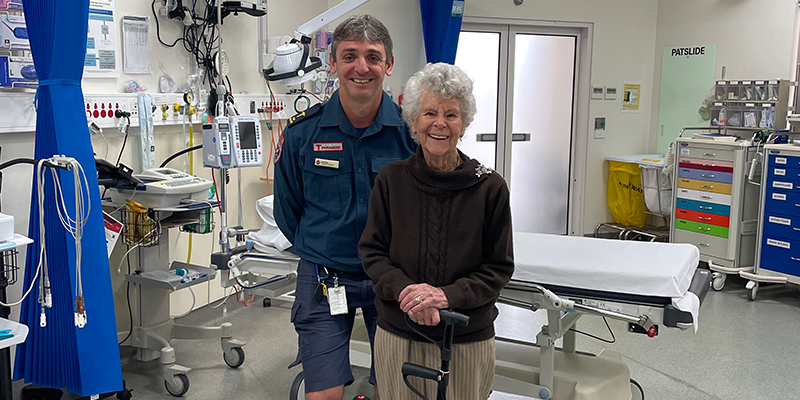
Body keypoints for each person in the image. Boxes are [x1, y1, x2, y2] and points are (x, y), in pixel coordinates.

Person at [273, 14, 415, 400]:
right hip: (325, 279)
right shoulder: (303, 133)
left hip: (394, 282)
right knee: (323, 395)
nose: (361, 67)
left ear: (388, 65)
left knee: (394, 390)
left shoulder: (410, 135)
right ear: (332, 63)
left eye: (373, 56)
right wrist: (324, 245)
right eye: (349, 55)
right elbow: (288, 210)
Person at [359, 63, 514, 400]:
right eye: (429, 112)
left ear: (464, 123)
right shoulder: (391, 180)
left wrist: (446, 296)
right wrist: (411, 294)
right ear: (414, 122)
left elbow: (498, 268)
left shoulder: (490, 188)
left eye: (451, 114)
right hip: (399, 334)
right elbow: (372, 252)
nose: (440, 123)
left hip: (466, 338)